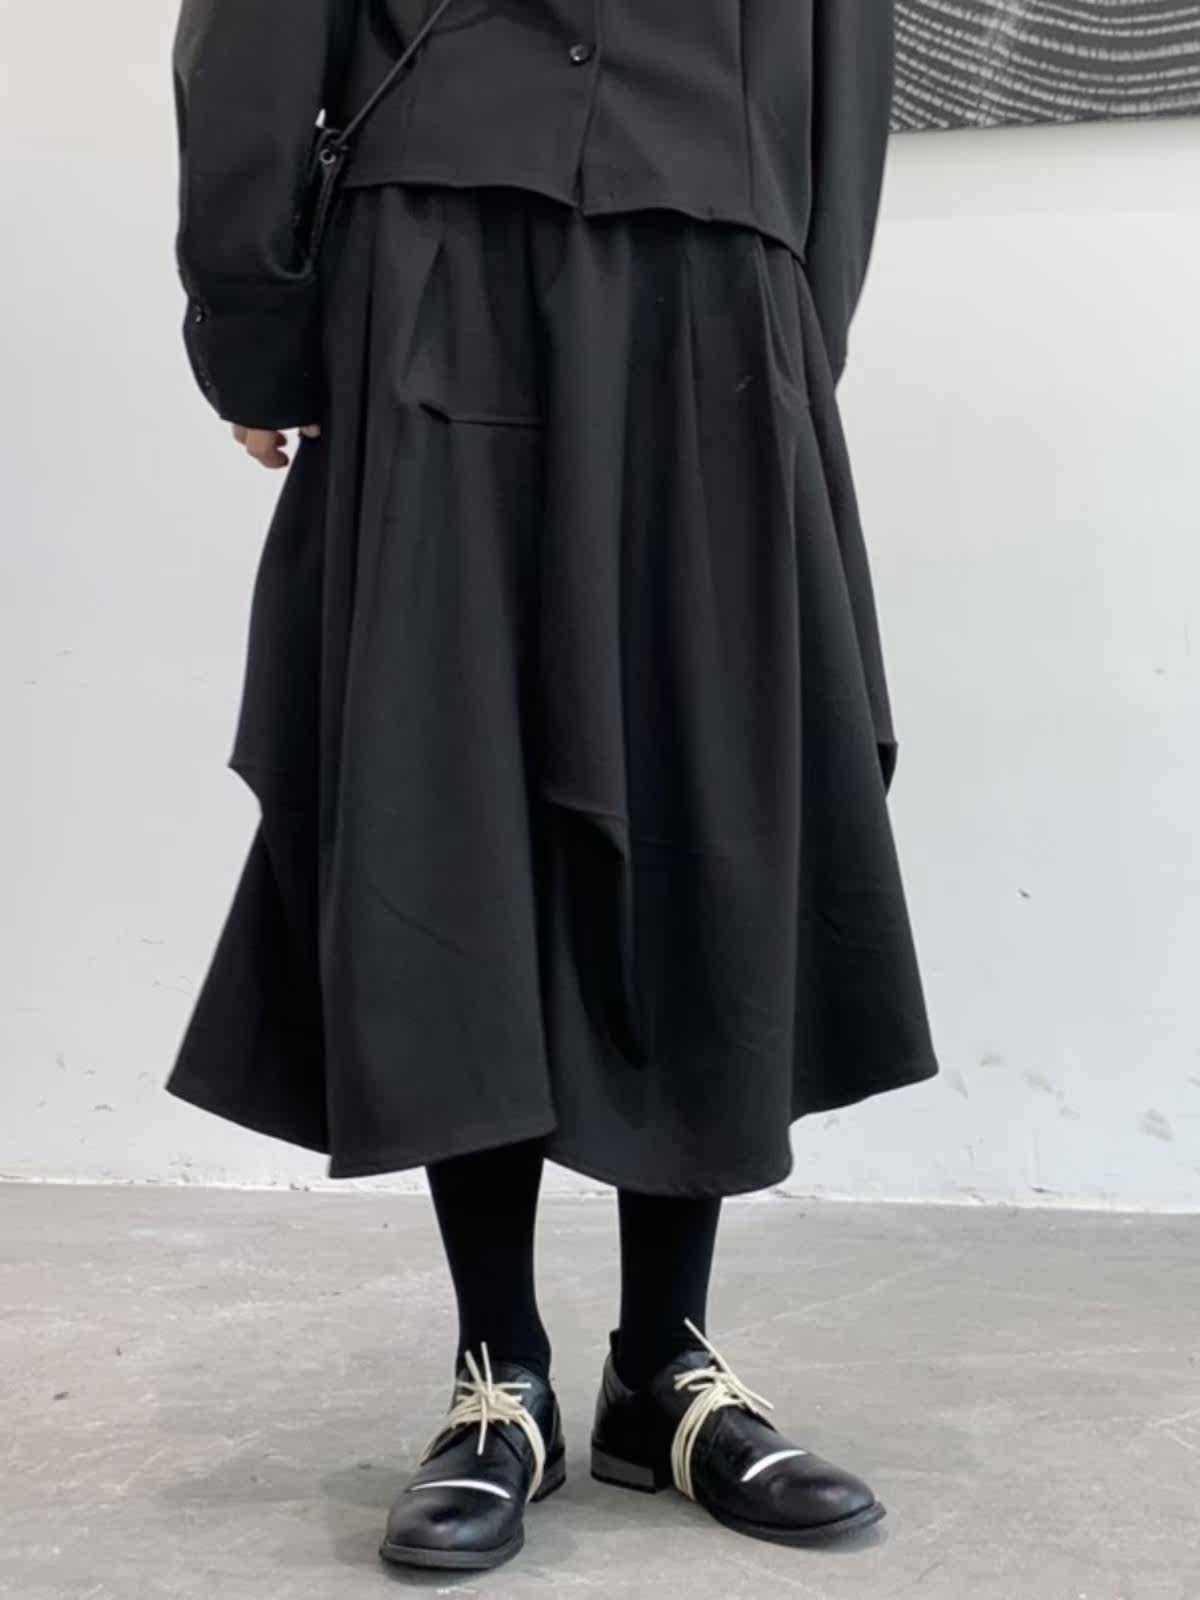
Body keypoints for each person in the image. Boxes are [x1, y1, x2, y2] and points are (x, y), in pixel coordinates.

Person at [166, 0, 940, 1571]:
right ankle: (497, 1366)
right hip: (444, 260)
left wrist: (795, 312)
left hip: (718, 268)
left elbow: (842, 48)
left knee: (709, 787)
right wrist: (255, 318)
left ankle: (665, 1365)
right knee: (448, 788)